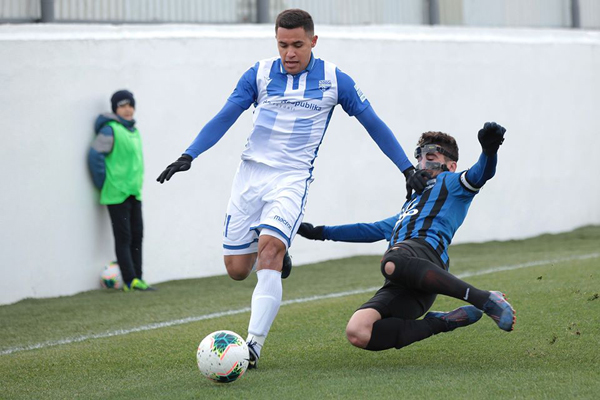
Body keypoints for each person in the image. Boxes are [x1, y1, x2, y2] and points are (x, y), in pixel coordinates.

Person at [157, 9, 426, 367]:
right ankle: (279, 256)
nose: (290, 53)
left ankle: (252, 347)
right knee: (237, 269)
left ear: (313, 41)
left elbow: (373, 123)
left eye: (297, 44)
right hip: (250, 178)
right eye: (283, 45)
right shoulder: (258, 74)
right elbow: (225, 115)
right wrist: (189, 154)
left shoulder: (335, 80)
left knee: (268, 252)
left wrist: (406, 168)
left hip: (291, 179)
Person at [298, 122, 516, 353]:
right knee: (358, 331)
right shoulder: (408, 208)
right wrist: (319, 233)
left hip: (426, 258)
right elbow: (367, 230)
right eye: (420, 158)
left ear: (451, 166)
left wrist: (489, 151)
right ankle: (442, 322)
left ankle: (483, 299)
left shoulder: (451, 183)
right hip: (404, 282)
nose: (423, 163)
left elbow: (480, 174)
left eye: (431, 157)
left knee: (392, 261)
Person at [88, 90, 155, 292]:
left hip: (134, 192)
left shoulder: (134, 131)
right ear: (115, 109)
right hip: (116, 194)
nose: (127, 109)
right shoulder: (110, 130)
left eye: (130, 105)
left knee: (137, 235)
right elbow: (94, 155)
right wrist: (104, 183)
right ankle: (129, 280)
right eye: (122, 106)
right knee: (124, 237)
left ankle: (138, 278)